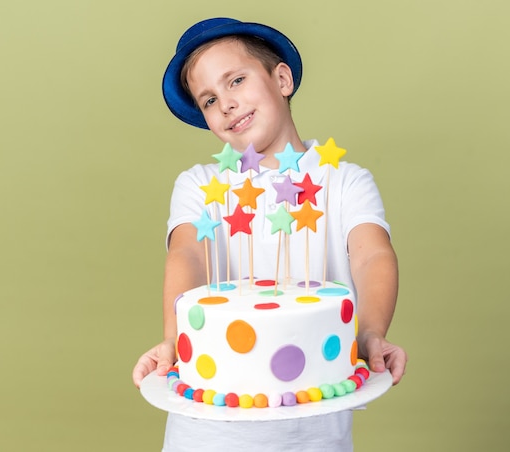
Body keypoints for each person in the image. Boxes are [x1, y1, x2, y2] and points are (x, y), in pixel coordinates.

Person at [132, 17, 408, 451]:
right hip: (206, 432)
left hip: (313, 433)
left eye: (236, 80)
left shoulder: (344, 182)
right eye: (208, 99)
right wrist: (172, 338)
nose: (226, 104)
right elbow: (187, 255)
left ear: (282, 79)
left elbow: (372, 256)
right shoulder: (200, 185)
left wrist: (371, 331)